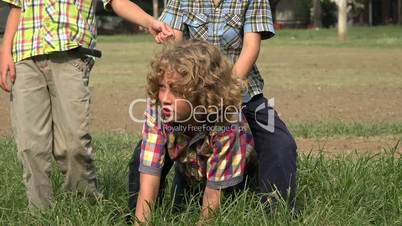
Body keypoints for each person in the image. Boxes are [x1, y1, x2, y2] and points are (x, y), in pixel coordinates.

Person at [0, 0, 173, 210]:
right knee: (30, 144)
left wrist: (149, 22)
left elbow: (116, 2)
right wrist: (5, 51)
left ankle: (84, 208)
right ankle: (39, 212)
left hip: (70, 55)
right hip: (25, 56)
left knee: (73, 143)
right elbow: (16, 7)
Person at [158, 0, 298, 207]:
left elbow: (251, 47)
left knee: (281, 145)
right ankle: (141, 211)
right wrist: (195, 95)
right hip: (190, 96)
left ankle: (277, 213)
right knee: (149, 150)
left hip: (243, 93)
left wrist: (223, 92)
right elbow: (175, 49)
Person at [134, 40, 255, 224]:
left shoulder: (227, 124)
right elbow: (148, 183)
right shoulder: (158, 112)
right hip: (192, 175)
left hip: (234, 184)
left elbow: (214, 196)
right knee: (179, 211)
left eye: (175, 90)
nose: (165, 99)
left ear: (202, 94)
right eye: (162, 87)